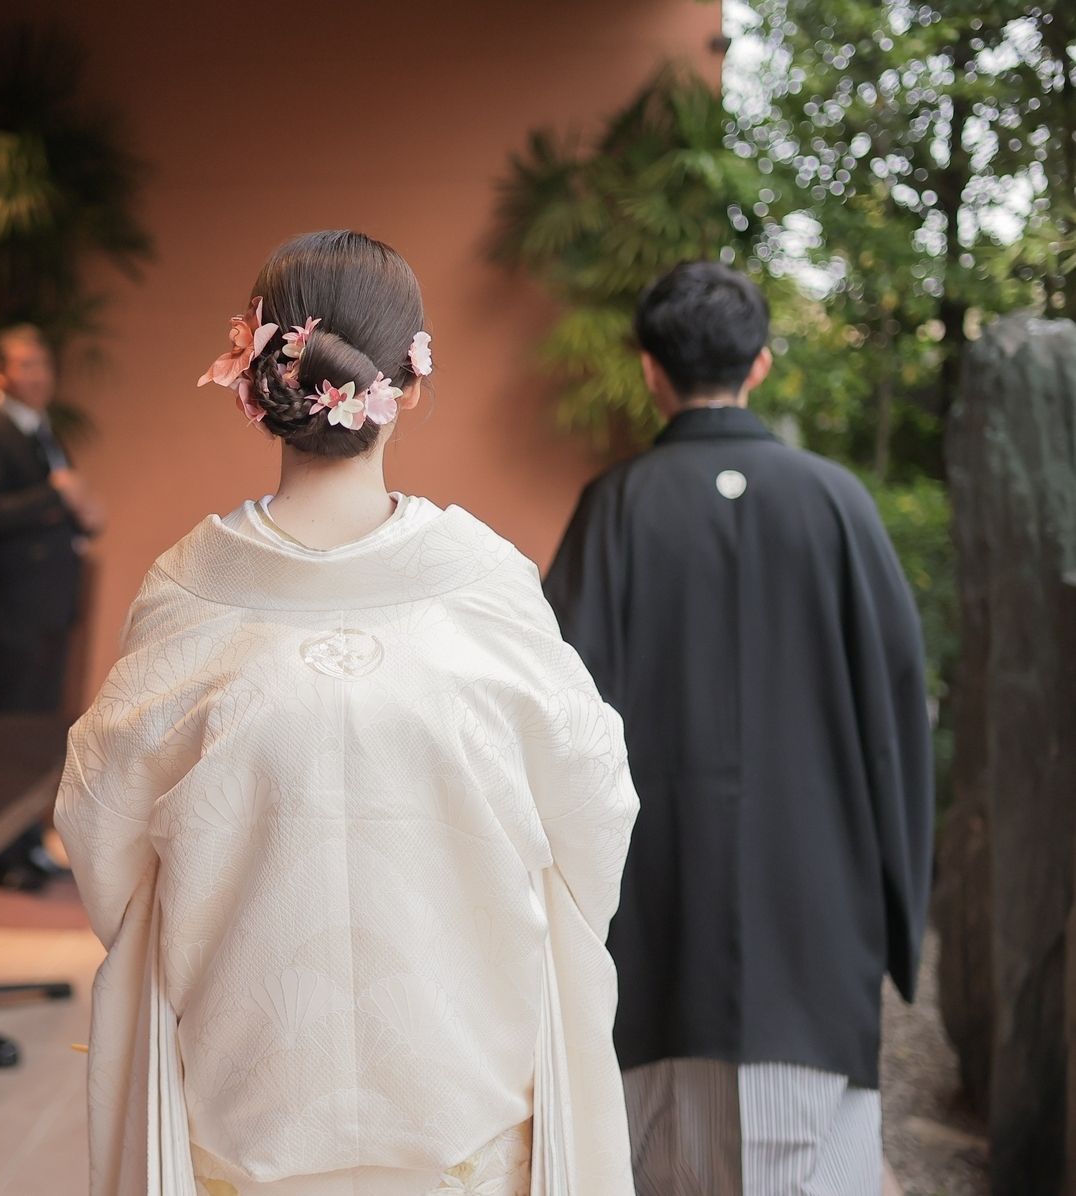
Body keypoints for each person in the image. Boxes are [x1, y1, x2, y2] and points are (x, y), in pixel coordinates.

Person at [55, 230, 639, 1196]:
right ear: (411, 378)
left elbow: (101, 831)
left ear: (253, 376)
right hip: (464, 1108)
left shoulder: (190, 593)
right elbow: (594, 817)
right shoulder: (484, 587)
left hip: (246, 1107)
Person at [544, 261, 934, 1196]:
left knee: (664, 1163)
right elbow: (896, 727)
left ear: (650, 369)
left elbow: (556, 728)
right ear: (760, 364)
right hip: (817, 929)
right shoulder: (838, 505)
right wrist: (896, 915)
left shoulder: (614, 510)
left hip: (657, 928)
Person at [0, 324, 105, 891]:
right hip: (10, 611)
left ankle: (28, 845)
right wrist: (58, 496)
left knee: (38, 737)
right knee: (7, 741)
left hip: (46, 606)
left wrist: (82, 519)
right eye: (26, 365)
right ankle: (3, 859)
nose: (39, 375)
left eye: (44, 364)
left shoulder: (39, 428)